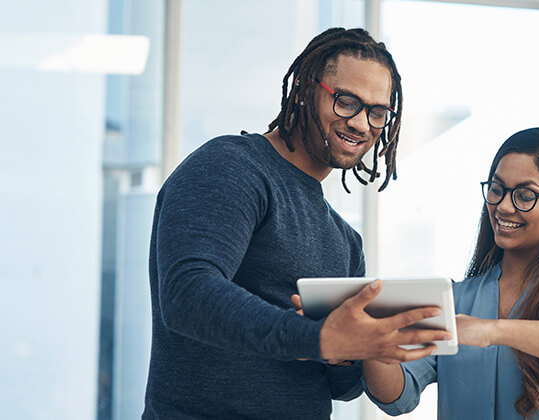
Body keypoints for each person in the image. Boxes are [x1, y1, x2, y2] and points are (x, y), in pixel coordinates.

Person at [142, 27, 450, 420]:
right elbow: (188, 295)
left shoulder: (345, 241)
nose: (361, 124)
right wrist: (319, 337)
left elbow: (344, 387)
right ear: (305, 89)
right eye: (346, 101)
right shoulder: (231, 166)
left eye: (376, 112)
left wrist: (353, 347)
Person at [363, 127, 539, 419]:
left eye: (525, 195)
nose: (502, 206)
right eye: (497, 189)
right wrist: (371, 343)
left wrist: (492, 330)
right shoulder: (456, 298)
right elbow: (398, 396)